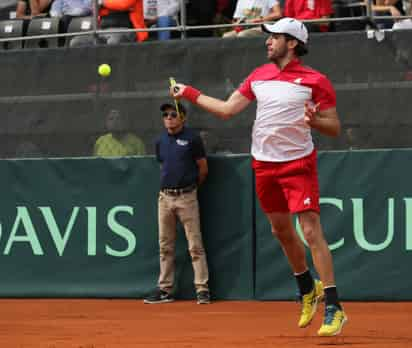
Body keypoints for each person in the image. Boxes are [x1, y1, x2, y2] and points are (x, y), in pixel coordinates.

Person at [170, 17, 347, 336]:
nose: (267, 41)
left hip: (298, 164)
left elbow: (334, 126)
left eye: (274, 37)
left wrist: (314, 122)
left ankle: (334, 306)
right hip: (264, 165)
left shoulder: (316, 80)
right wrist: (190, 92)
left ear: (292, 43)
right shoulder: (259, 75)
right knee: (280, 230)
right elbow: (226, 110)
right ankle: (307, 287)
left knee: (309, 229)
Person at [144, 102, 210, 305]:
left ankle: (202, 288)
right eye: (165, 115)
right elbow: (164, 165)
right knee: (165, 246)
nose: (169, 118)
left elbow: (203, 168)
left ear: (183, 117)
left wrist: (190, 189)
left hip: (187, 197)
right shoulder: (160, 141)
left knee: (195, 245)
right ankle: (165, 289)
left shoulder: (192, 138)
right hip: (165, 198)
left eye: (173, 114)